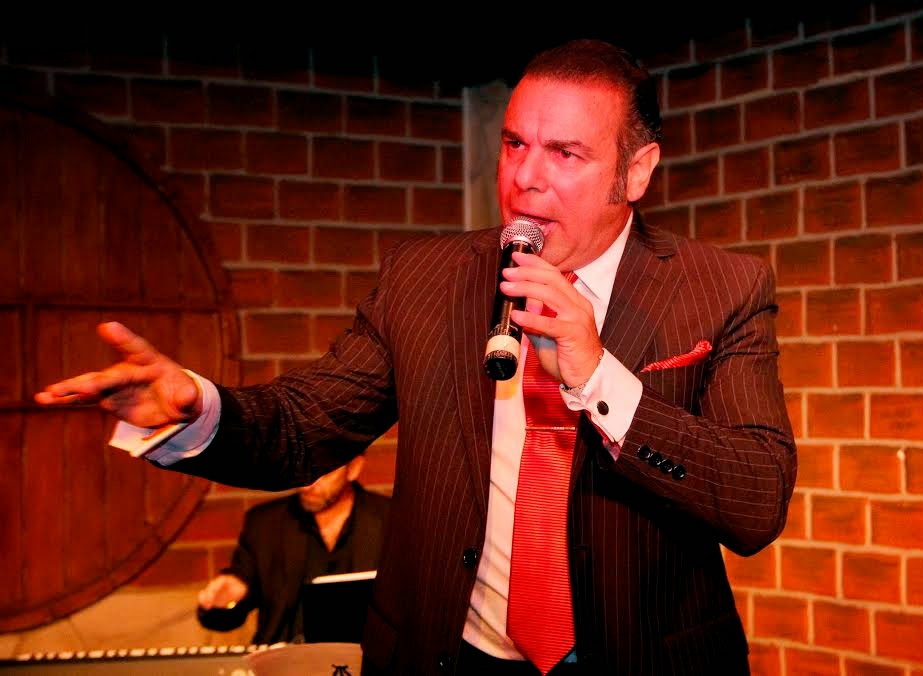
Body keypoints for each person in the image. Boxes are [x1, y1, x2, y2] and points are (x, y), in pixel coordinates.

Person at [36, 39, 797, 675]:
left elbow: (756, 501)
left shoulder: (722, 290)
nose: (525, 178)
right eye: (514, 144)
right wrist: (196, 407)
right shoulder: (426, 279)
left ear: (636, 172)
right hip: (451, 655)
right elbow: (305, 425)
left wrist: (599, 377)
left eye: (565, 153)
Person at [196, 455, 390, 645]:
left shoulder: (390, 520)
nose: (307, 485)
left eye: (322, 473)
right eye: (302, 471)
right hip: (283, 655)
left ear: (354, 468)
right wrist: (223, 602)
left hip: (365, 658)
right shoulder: (265, 524)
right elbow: (226, 618)